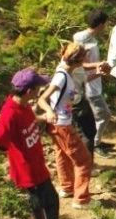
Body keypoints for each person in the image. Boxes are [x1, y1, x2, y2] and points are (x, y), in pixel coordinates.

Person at [0, 69, 59, 219]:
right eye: (38, 87)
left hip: (38, 163)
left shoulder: (23, 106)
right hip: (28, 169)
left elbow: (29, 120)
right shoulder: (9, 113)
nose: (40, 90)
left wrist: (43, 118)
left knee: (49, 198)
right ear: (29, 91)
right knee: (40, 202)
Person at [38, 43, 95, 210]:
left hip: (58, 124)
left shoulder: (66, 73)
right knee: (84, 160)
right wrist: (49, 110)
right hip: (62, 125)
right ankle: (81, 199)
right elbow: (43, 98)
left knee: (62, 155)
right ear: (78, 61)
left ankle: (67, 187)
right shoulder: (61, 76)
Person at [73, 10, 113, 151]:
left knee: (99, 115)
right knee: (104, 115)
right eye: (105, 24)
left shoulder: (89, 38)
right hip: (88, 85)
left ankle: (96, 141)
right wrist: (98, 66)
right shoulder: (81, 38)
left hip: (94, 81)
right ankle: (95, 143)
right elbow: (79, 63)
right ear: (100, 24)